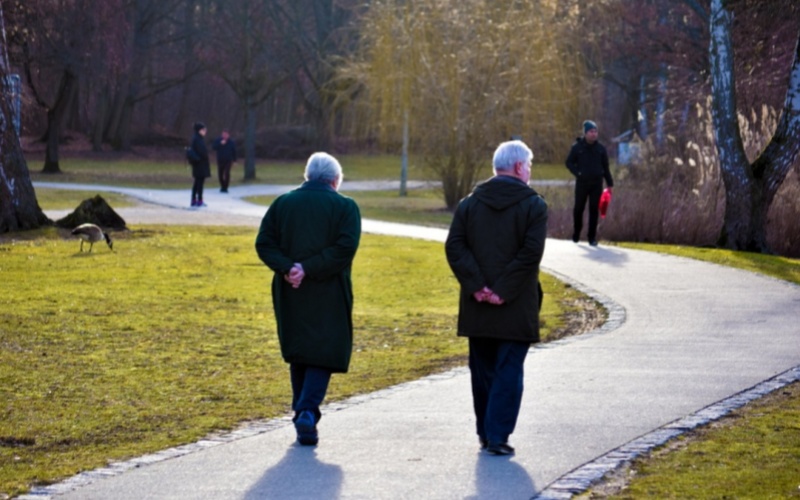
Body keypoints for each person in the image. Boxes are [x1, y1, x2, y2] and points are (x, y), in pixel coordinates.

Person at [445, 140, 548, 456]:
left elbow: (455, 247)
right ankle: (497, 434)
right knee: (508, 371)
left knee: (483, 370)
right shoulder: (534, 206)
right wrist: (501, 291)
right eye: (528, 166)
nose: (529, 171)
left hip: (477, 307)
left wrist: (478, 287)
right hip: (516, 305)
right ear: (519, 167)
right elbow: (530, 254)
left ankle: (486, 432)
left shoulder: (469, 204)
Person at [255, 152, 361, 446]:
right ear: (335, 180)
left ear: (307, 176)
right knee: (323, 351)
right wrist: (309, 268)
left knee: (300, 349)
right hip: (328, 290)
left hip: (291, 289)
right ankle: (306, 411)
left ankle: (303, 412)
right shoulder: (345, 207)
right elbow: (344, 248)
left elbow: (264, 243)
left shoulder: (283, 203)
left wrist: (290, 267)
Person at [565, 120, 613, 246]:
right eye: (591, 132)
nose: (594, 134)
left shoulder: (601, 149)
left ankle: (591, 237)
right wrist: (578, 173)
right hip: (582, 183)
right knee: (578, 209)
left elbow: (606, 167)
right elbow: (569, 162)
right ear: (585, 133)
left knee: (593, 210)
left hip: (597, 184)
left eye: (595, 131)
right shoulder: (577, 147)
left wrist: (610, 184)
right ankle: (576, 233)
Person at [188, 122, 211, 207]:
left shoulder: (197, 139)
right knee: (199, 183)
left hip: (198, 164)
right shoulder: (198, 140)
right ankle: (199, 200)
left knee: (197, 182)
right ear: (199, 130)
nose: (205, 131)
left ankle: (194, 200)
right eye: (203, 130)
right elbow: (202, 152)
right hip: (200, 164)